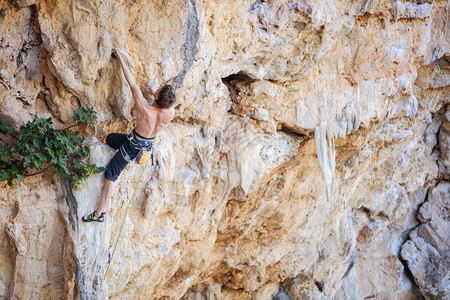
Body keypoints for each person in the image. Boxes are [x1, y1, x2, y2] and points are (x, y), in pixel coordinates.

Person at [82, 48, 176, 222]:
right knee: (110, 138)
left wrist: (120, 58)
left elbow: (131, 82)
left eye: (159, 89)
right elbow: (165, 102)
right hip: (145, 145)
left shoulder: (144, 107)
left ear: (156, 98)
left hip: (131, 148)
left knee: (110, 175)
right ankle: (111, 150)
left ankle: (98, 214)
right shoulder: (169, 112)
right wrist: (155, 92)